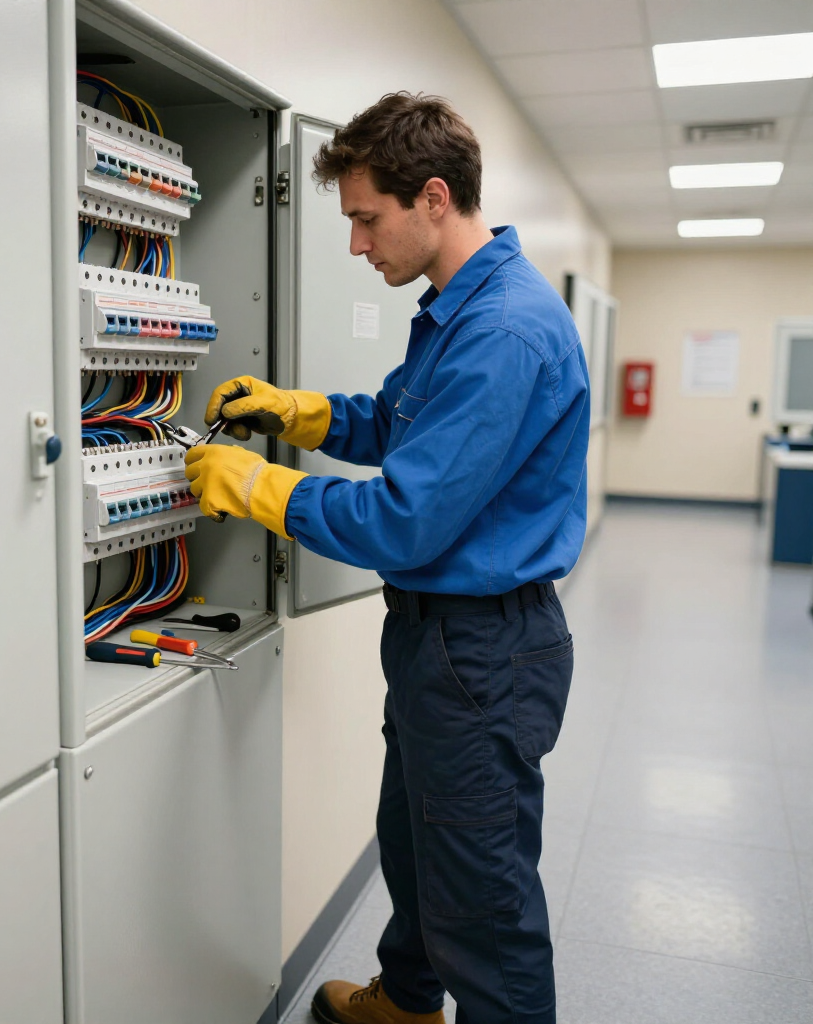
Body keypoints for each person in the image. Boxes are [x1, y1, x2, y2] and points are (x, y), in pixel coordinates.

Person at [184, 92, 589, 1024]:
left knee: (486, 909)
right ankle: (407, 1004)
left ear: (434, 197)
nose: (358, 246)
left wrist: (257, 486)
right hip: (437, 644)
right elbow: (402, 424)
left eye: (367, 219)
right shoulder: (462, 306)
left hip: (481, 651)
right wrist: (303, 412)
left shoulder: (504, 331)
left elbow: (407, 518)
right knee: (416, 847)